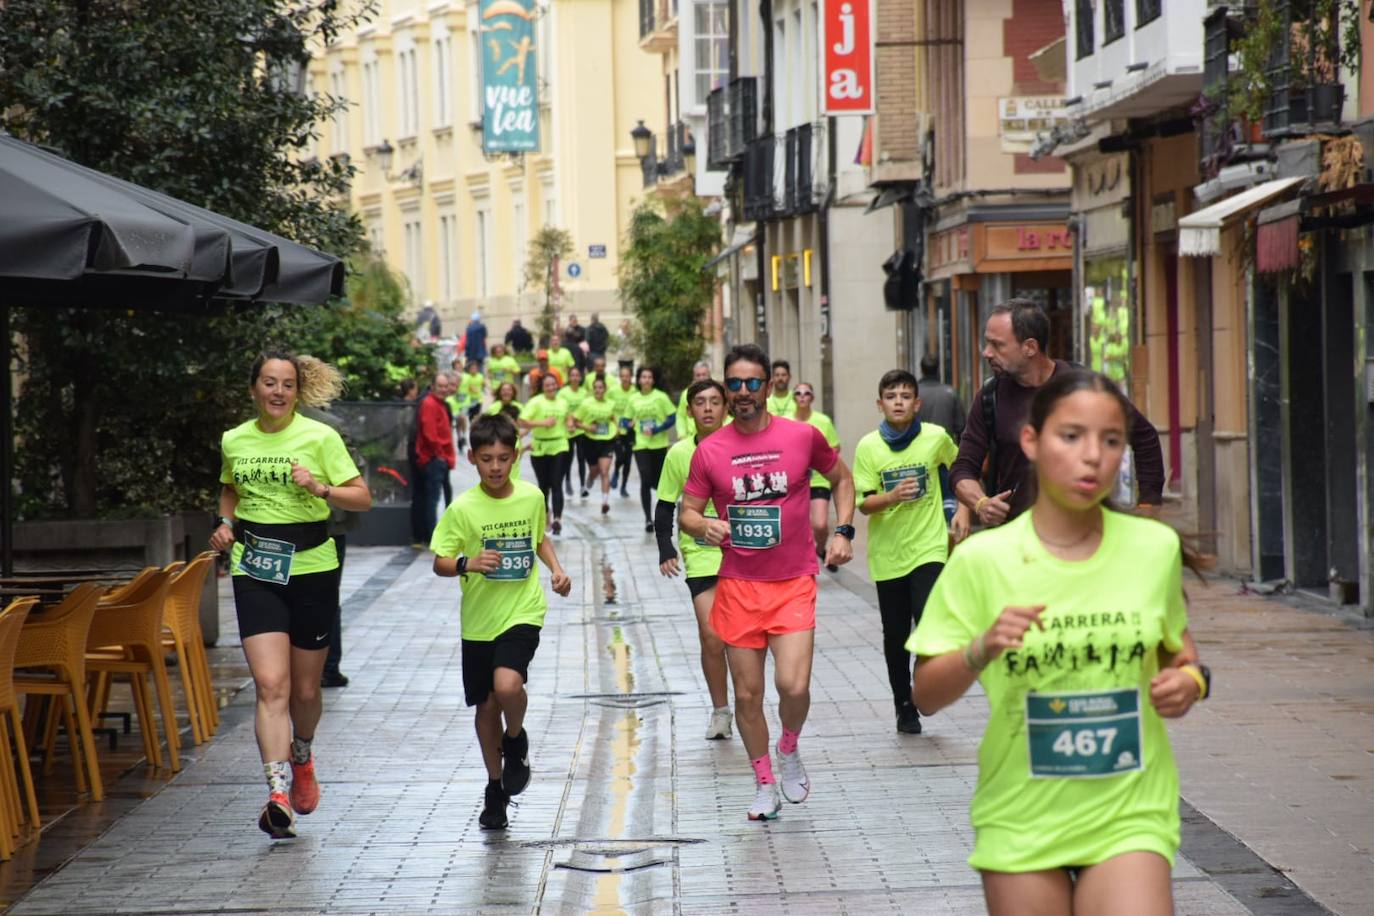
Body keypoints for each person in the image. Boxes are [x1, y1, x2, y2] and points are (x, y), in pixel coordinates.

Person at [908, 369, 1209, 915]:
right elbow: (924, 694)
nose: (1092, 455)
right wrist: (983, 646)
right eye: (1071, 437)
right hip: (1023, 813)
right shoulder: (984, 559)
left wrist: (1190, 681)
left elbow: (1181, 653)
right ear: (1031, 441)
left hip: (1129, 809)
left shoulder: (1152, 549)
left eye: (1110, 440)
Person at [679, 343, 856, 821]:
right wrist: (705, 527)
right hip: (738, 585)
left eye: (751, 383)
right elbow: (687, 513)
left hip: (793, 580)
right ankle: (763, 783)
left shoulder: (801, 436)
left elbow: (842, 479)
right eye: (733, 383)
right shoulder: (709, 451)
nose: (742, 392)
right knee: (749, 695)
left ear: (769, 385)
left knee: (793, 686)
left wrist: (842, 530)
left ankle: (790, 746)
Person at [210, 351, 373, 838]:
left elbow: (362, 496)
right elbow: (229, 490)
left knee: (305, 690)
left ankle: (301, 753)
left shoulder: (321, 437)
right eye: (268, 382)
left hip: (312, 568)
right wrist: (223, 523)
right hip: (255, 568)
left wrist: (321, 487)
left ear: (297, 392)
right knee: (271, 685)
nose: (277, 392)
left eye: (286, 384)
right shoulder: (234, 440)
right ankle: (276, 791)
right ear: (254, 388)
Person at [430, 414, 573, 830]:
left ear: (516, 457)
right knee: (486, 705)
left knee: (507, 684)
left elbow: (538, 538)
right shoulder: (462, 508)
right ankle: (495, 786)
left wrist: (556, 570)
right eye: (487, 459)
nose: (495, 467)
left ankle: (516, 739)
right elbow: (439, 561)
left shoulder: (530, 497)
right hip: (478, 621)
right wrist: (466, 563)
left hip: (522, 610)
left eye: (504, 458)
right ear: (472, 458)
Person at [952, 299, 1164, 528]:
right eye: (987, 343)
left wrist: (1148, 506)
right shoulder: (989, 396)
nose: (987, 353)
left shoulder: (1083, 387)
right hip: (1016, 540)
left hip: (1084, 531)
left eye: (997, 345)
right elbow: (962, 469)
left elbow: (1144, 437)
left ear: (1030, 347)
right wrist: (982, 504)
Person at [853, 369, 968, 734]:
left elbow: (963, 468)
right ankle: (904, 705)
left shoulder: (935, 438)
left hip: (929, 547)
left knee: (931, 622)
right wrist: (890, 497)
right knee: (896, 634)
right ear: (880, 403)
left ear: (917, 403)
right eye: (891, 396)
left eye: (905, 396)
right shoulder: (869, 446)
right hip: (888, 556)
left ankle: (925, 685)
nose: (898, 402)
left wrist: (965, 509)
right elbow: (864, 504)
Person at [656, 378, 733, 740]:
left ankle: (748, 702)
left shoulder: (742, 446)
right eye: (699, 402)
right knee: (712, 635)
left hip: (745, 553)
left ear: (725, 408)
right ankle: (721, 710)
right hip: (701, 554)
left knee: (745, 639)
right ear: (689, 411)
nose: (707, 408)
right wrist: (666, 547)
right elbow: (665, 504)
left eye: (714, 402)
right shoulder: (679, 454)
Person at [297, 401, 367, 692]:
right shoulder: (331, 424)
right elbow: (355, 473)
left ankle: (301, 666)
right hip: (329, 523)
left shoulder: (261, 423)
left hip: (287, 526)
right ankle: (328, 667)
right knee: (326, 594)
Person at [790, 382, 841, 573]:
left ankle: (820, 548)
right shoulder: (785, 420)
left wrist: (815, 457)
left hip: (819, 479)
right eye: (798, 393)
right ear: (794, 397)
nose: (802, 396)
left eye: (807, 393)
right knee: (796, 527)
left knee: (820, 524)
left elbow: (835, 447)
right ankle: (802, 564)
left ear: (812, 397)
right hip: (793, 482)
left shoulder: (823, 421)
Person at [518, 373, 572, 536]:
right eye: (547, 385)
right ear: (543, 387)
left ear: (557, 386)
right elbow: (522, 421)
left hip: (560, 444)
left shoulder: (563, 402)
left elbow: (569, 417)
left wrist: (570, 424)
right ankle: (547, 517)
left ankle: (557, 519)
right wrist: (543, 423)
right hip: (540, 446)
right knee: (543, 486)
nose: (551, 388)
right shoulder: (536, 402)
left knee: (556, 483)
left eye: (553, 385)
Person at [627, 366, 676, 533]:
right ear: (639, 380)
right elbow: (624, 421)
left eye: (649, 377)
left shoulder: (661, 397)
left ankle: (663, 512)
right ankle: (648, 519)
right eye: (643, 377)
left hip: (659, 444)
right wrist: (628, 424)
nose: (646, 380)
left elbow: (672, 417)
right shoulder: (633, 399)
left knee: (658, 482)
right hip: (641, 444)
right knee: (645, 478)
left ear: (653, 380)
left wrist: (658, 429)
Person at [415, 372, 457, 542]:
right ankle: (435, 536)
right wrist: (439, 454)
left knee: (442, 495)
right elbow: (429, 433)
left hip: (441, 458)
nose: (443, 389)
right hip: (435, 458)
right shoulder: (430, 404)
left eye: (446, 386)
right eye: (440, 386)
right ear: (432, 387)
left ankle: (441, 533)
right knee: (435, 499)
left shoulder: (440, 404)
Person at [573, 372, 619, 515]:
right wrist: (588, 427)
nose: (598, 390)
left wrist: (617, 429)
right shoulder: (586, 404)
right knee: (595, 470)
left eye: (601, 388)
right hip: (590, 441)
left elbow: (614, 418)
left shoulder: (611, 404)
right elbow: (576, 421)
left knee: (604, 471)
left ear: (605, 389)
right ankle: (589, 482)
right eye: (596, 388)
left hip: (607, 441)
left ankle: (605, 502)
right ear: (593, 389)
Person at [915, 353, 966, 444]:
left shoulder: (913, 394)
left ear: (921, 370)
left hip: (919, 451)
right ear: (938, 370)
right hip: (945, 450)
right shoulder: (951, 393)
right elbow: (961, 427)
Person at [557, 366, 589, 498]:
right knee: (568, 458)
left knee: (582, 458)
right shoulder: (563, 393)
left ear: (580, 378)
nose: (575, 378)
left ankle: (582, 486)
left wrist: (580, 423)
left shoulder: (584, 392)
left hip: (580, 429)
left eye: (577, 375)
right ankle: (568, 481)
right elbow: (560, 409)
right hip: (568, 430)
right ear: (569, 378)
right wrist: (568, 422)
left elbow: (588, 410)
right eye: (573, 375)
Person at [607, 364, 636, 498]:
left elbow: (638, 409)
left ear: (631, 377)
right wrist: (615, 425)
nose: (625, 378)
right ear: (619, 377)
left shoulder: (635, 392)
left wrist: (634, 421)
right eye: (622, 376)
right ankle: (616, 472)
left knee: (628, 460)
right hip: (617, 430)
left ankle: (623, 486)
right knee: (620, 457)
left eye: (627, 376)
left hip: (631, 430)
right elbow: (608, 408)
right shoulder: (613, 391)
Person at [676, 360, 713, 440]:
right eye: (698, 375)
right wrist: (682, 434)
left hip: (712, 437)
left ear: (709, 375)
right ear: (694, 377)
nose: (701, 378)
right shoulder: (686, 394)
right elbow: (680, 416)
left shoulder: (716, 393)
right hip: (690, 439)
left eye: (704, 375)